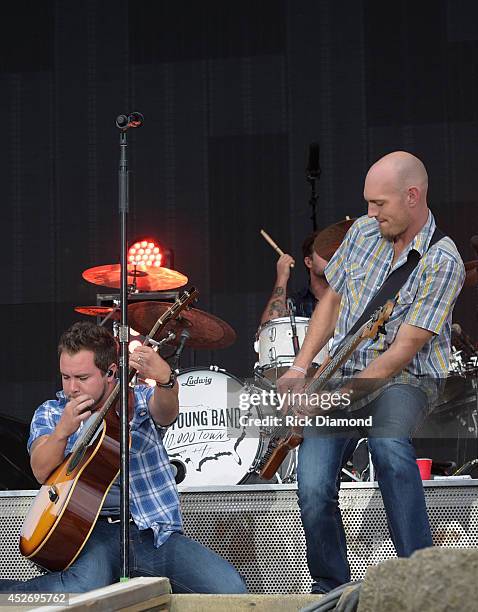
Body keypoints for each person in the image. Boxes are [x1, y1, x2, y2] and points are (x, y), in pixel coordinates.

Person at [278, 151, 465, 593]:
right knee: (312, 485)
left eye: (379, 204)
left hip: (408, 378)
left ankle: (420, 581)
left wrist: (334, 399)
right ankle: (332, 590)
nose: (369, 213)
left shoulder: (444, 261)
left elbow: (402, 352)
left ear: (413, 196)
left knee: (388, 448)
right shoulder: (363, 232)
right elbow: (333, 300)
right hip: (345, 370)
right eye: (368, 203)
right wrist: (300, 367)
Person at [1, 321, 246, 594]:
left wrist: (167, 381)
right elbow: (39, 470)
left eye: (82, 378)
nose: (72, 388)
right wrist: (62, 432)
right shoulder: (52, 412)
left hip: (150, 531)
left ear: (111, 372)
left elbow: (166, 412)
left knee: (228, 587)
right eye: (65, 377)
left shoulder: (138, 399)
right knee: (83, 589)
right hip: (88, 535)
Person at [260, 231, 329, 324]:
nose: (330, 256)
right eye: (322, 252)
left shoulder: (345, 298)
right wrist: (282, 277)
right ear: (309, 262)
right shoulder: (295, 303)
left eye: (332, 252)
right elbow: (269, 329)